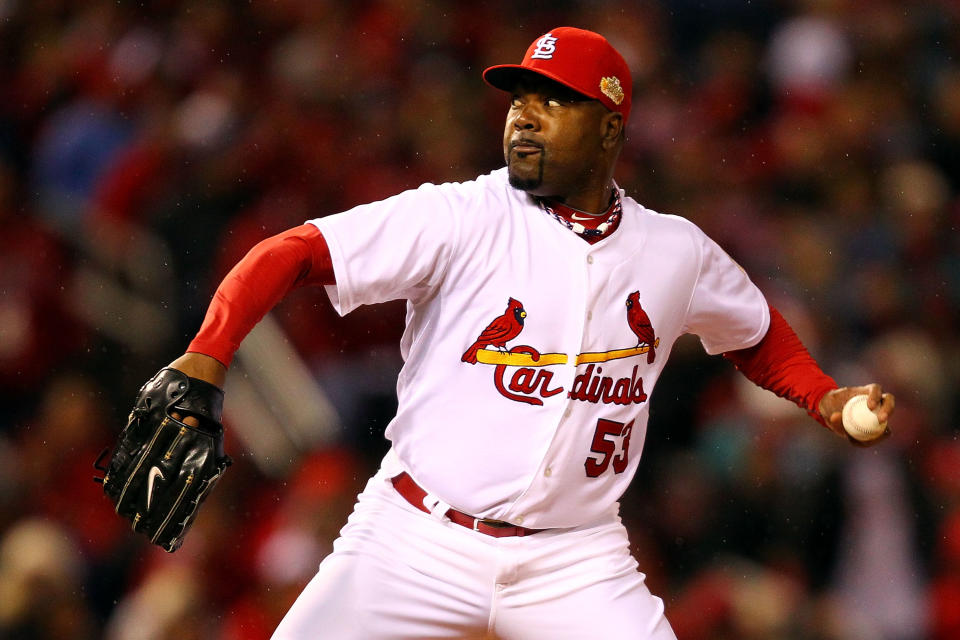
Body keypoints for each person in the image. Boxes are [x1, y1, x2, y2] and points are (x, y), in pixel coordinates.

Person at [166, 27, 894, 639]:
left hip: (574, 560)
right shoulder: (462, 216)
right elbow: (294, 252)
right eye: (520, 99)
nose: (525, 115)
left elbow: (756, 333)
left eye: (554, 100)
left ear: (610, 125)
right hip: (414, 536)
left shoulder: (676, 251)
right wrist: (209, 354)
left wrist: (824, 399)